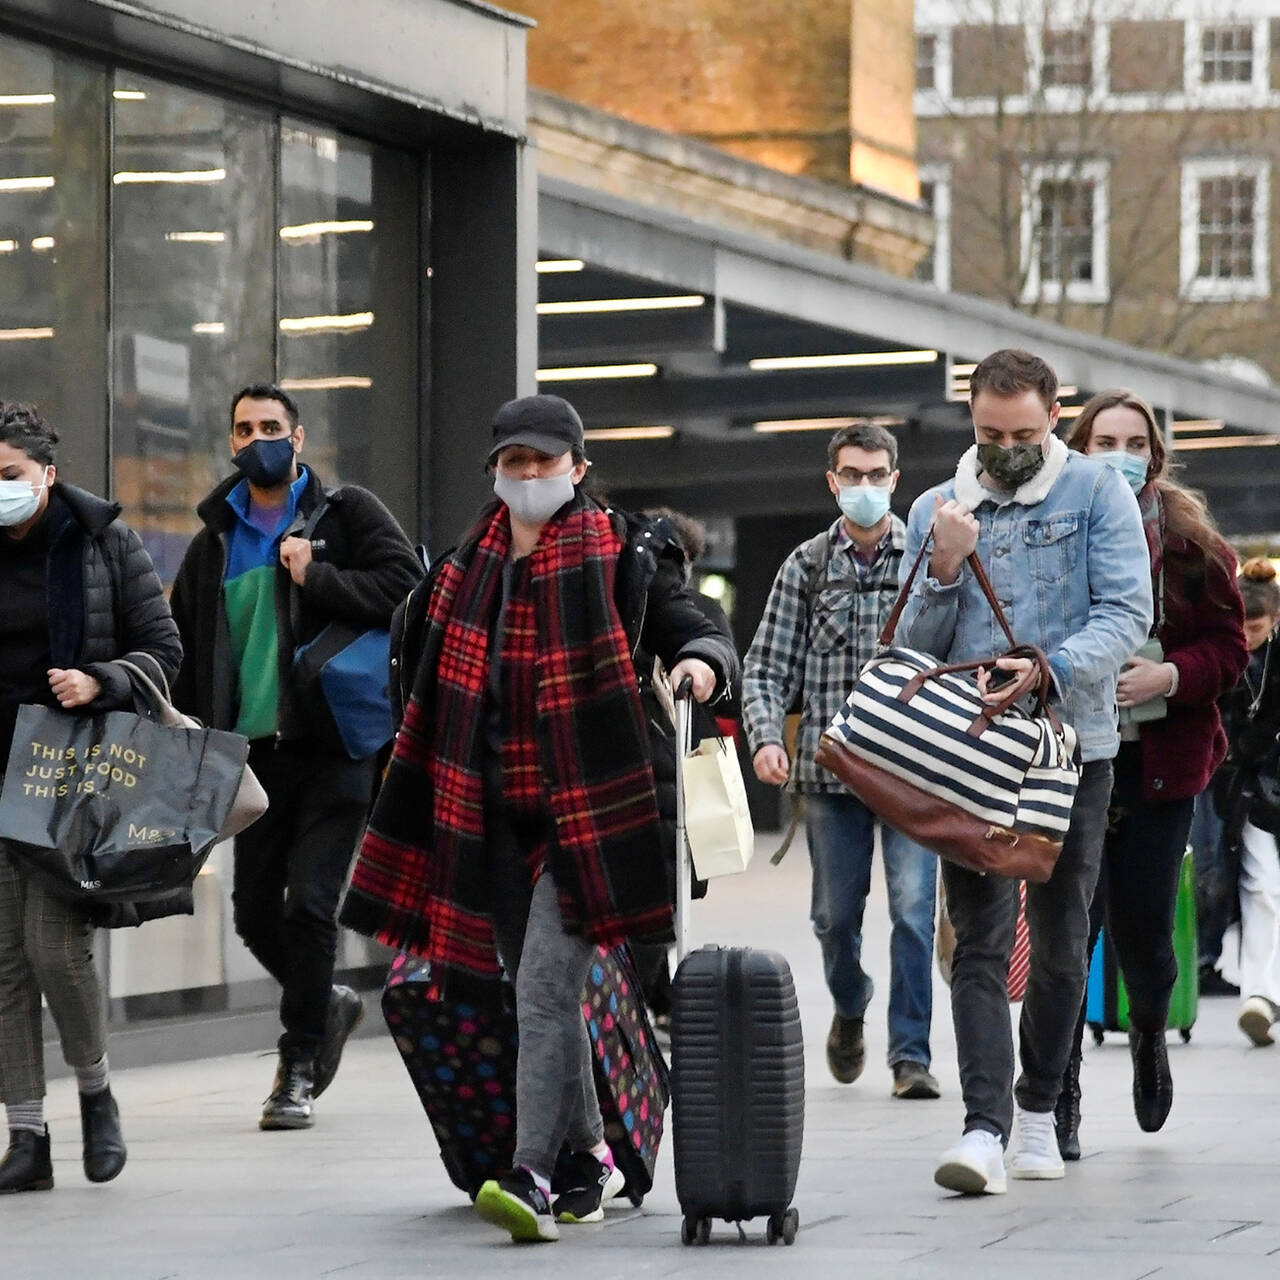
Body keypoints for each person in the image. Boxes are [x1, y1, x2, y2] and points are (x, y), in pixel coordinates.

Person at [339, 394, 738, 1243]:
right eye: (515, 462)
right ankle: (592, 1156)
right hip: (489, 817)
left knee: (547, 990)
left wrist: (701, 664)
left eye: (545, 462)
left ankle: (529, 1175)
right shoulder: (459, 571)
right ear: (495, 470)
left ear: (578, 468)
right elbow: (426, 683)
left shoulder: (623, 554)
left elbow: (692, 624)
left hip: (586, 817)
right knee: (537, 994)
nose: (529, 476)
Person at [898, 349, 1151, 1194]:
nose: (1006, 447)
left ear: (1054, 416)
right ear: (970, 420)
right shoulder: (937, 506)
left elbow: (1126, 613)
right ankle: (981, 1128)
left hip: (1076, 748)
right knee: (976, 939)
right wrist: (941, 567)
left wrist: (1049, 668)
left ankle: (1039, 1107)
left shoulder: (1097, 493)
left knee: (1059, 935)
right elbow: (909, 652)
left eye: (1024, 432)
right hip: (972, 756)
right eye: (988, 432)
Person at [170, 382, 421, 1131]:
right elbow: (183, 644)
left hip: (335, 744)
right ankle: (328, 1002)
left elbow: (410, 588)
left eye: (271, 426)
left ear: (300, 437)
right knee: (252, 916)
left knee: (311, 906)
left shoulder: (346, 515)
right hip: (252, 758)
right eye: (243, 429)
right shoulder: (215, 538)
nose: (257, 439)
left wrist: (319, 576)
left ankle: (298, 1066)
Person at [1052, 390, 1246, 1157]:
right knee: (1069, 933)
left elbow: (1231, 652)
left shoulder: (1196, 549)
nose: (1120, 455)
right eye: (1105, 441)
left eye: (1135, 442)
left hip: (1161, 769)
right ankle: (1055, 1093)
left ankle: (1147, 1034)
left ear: (1155, 455)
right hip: (1069, 760)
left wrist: (1168, 678)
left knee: (1147, 939)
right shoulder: (1053, 533)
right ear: (1078, 448)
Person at [0, 402, 182, 1192]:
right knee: (4, 964)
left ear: (48, 473)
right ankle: (26, 1137)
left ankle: (97, 1093)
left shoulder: (104, 541)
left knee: (53, 948)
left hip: (70, 779)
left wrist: (99, 679)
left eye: (8, 476)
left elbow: (163, 647)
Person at [743, 423, 940, 1100]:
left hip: (913, 772)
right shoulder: (806, 565)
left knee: (915, 909)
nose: (864, 486)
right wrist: (767, 737)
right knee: (834, 916)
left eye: (875, 474)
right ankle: (851, 1004)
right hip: (830, 774)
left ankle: (910, 1054)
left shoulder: (926, 561)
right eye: (851, 475)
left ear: (895, 477)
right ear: (832, 482)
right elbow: (766, 666)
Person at [632, 506, 740, 1034]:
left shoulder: (673, 612)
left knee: (656, 899)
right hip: (674, 764)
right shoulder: (698, 609)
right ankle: (656, 999)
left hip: (666, 768)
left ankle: (649, 1002)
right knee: (664, 900)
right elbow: (728, 692)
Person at [1216, 558, 1280, 1046]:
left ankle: (1264, 992)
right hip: (1249, 790)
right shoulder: (1226, 656)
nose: (1248, 635)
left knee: (1263, 889)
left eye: (1255, 627)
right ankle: (1260, 993)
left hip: (1254, 782)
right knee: (1260, 888)